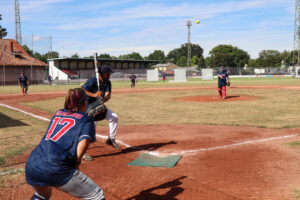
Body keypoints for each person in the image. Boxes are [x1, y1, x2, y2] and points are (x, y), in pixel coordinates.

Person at [25, 88, 105, 200]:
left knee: (42, 195)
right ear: (83, 103)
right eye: (86, 101)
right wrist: (76, 163)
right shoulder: (86, 120)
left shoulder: (57, 113)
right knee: (97, 196)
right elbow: (84, 142)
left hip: (32, 164)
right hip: (56, 167)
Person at [82, 64, 120, 160]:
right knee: (90, 131)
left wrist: (103, 99)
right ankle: (83, 152)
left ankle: (111, 139)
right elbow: (82, 90)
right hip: (89, 108)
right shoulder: (93, 80)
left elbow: (108, 95)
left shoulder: (108, 82)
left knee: (114, 117)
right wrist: (94, 95)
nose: (110, 75)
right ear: (104, 74)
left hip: (99, 106)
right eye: (108, 73)